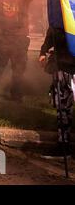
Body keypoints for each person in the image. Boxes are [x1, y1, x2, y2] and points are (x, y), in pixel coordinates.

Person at [39, 27, 75, 157]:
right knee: (63, 107)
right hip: (63, 65)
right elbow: (53, 33)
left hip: (68, 64)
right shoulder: (60, 14)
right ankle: (63, 144)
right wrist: (43, 51)